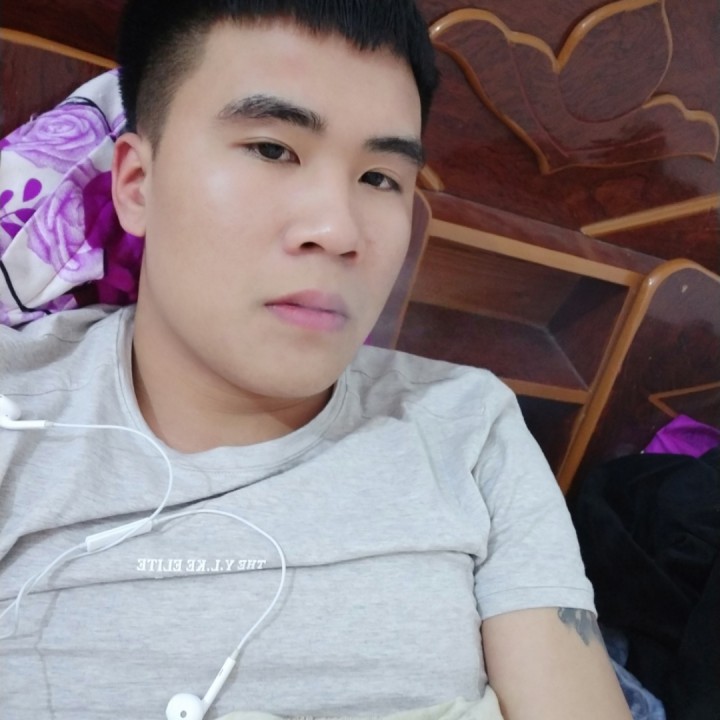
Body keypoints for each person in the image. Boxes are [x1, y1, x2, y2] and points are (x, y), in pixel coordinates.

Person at [0, 1, 632, 718]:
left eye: (381, 179)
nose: (338, 231)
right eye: (272, 150)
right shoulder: (20, 414)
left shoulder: (469, 424)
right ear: (137, 185)